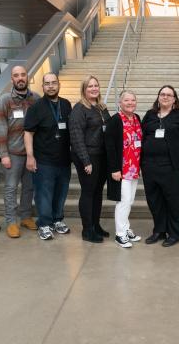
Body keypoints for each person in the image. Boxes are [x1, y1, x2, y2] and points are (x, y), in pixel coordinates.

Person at [141, 85, 179, 247]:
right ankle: (159, 230)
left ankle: (175, 233)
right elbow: (142, 136)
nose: (165, 97)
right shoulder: (150, 115)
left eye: (169, 95)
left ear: (174, 99)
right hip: (150, 167)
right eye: (162, 94)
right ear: (158, 97)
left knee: (175, 201)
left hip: (174, 167)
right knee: (155, 200)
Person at [24, 73, 72, 240]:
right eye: (47, 84)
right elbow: (28, 133)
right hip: (44, 160)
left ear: (58, 84)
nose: (51, 86)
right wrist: (30, 156)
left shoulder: (66, 104)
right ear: (42, 86)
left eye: (53, 83)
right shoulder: (36, 107)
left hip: (64, 160)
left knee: (61, 192)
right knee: (44, 194)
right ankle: (44, 224)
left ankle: (57, 220)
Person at [0, 65, 40, 238]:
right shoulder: (5, 100)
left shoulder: (35, 98)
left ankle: (26, 216)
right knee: (11, 188)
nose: (20, 78)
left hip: (31, 154)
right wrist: (3, 155)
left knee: (29, 188)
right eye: (16, 75)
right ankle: (11, 222)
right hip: (12, 153)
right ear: (12, 79)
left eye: (23, 74)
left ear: (27, 77)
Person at [69, 75, 110, 243]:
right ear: (84, 90)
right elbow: (76, 137)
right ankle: (87, 230)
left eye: (96, 85)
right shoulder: (79, 109)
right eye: (90, 86)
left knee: (98, 191)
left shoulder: (101, 107)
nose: (93, 88)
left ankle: (95, 224)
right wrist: (86, 161)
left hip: (101, 156)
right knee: (88, 192)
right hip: (88, 156)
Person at [105, 90, 142, 248]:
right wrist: (114, 169)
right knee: (123, 201)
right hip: (121, 169)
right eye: (126, 100)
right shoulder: (115, 120)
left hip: (134, 168)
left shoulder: (136, 118)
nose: (130, 103)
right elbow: (110, 146)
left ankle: (126, 229)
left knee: (130, 201)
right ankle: (120, 234)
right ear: (120, 103)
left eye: (133, 100)